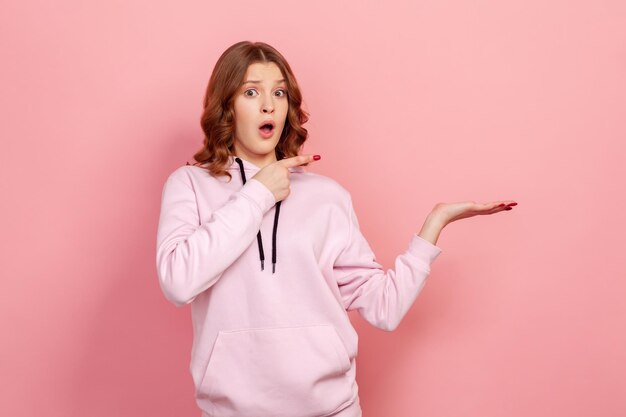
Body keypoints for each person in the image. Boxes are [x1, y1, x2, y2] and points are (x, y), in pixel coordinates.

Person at [155, 40, 517, 417]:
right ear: (226, 105)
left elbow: (384, 308)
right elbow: (178, 281)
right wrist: (259, 193)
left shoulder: (327, 197)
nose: (268, 105)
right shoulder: (190, 185)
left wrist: (434, 225)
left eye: (279, 92)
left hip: (332, 409)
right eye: (251, 92)